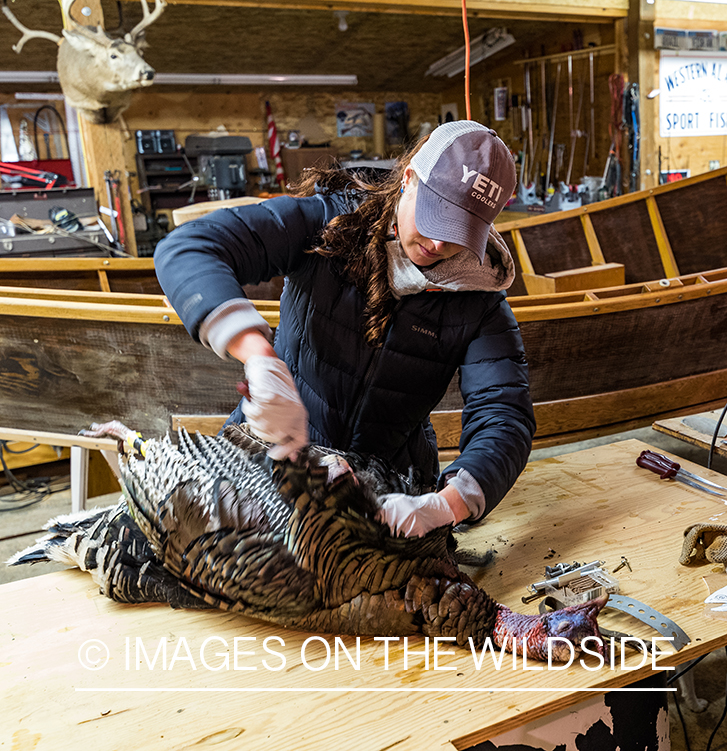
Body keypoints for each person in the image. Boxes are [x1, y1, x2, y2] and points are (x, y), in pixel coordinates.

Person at [154, 120, 534, 538]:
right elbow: (188, 248)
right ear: (409, 178)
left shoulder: (478, 299)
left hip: (391, 487)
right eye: (435, 214)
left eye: (459, 231)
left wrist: (447, 505)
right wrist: (259, 358)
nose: (440, 245)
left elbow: (505, 415)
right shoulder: (327, 222)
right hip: (273, 451)